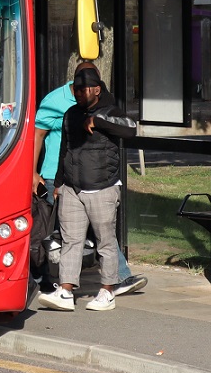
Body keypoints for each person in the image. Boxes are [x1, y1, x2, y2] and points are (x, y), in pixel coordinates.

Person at [33, 61, 146, 299]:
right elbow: (43, 137)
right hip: (62, 178)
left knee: (99, 234)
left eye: (91, 84)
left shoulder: (105, 104)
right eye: (80, 85)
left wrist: (100, 121)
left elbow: (127, 128)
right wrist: (40, 175)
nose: (84, 91)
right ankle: (59, 285)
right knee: (68, 235)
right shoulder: (58, 104)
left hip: (97, 183)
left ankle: (110, 284)